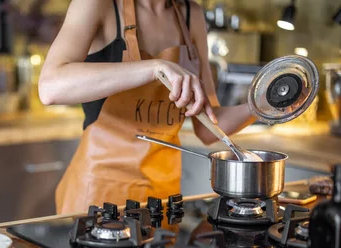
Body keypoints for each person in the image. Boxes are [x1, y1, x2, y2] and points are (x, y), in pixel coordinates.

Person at [39, 0, 257, 214]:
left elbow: (210, 128)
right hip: (98, 201)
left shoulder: (192, 14)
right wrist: (155, 68)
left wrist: (262, 106)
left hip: (161, 203)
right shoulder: (98, 4)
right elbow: (51, 87)